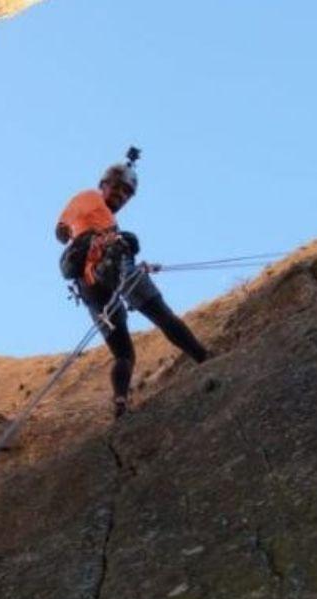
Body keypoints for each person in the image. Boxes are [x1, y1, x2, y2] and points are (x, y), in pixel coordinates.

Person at [56, 148, 211, 418]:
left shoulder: (80, 204)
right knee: (162, 315)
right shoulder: (94, 202)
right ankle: (205, 359)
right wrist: (118, 243)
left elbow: (60, 233)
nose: (121, 196)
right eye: (117, 188)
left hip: (90, 286)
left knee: (124, 354)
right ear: (102, 185)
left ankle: (120, 402)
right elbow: (104, 236)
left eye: (126, 193)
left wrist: (74, 228)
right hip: (109, 264)